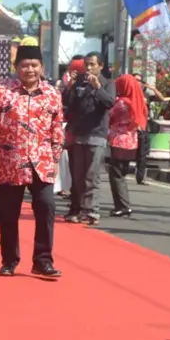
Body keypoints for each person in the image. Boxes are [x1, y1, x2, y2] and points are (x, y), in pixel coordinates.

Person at [0, 44, 64, 277]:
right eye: (25, 65)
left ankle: (43, 260)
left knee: (47, 206)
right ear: (16, 67)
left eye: (34, 65)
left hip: (42, 161)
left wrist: (56, 157)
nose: (30, 69)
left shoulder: (52, 93)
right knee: (8, 213)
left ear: (41, 67)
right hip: (9, 161)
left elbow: (57, 127)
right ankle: (9, 260)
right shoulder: (1, 91)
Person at [63, 52, 116, 225]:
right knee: (77, 175)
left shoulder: (108, 83)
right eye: (87, 64)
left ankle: (92, 211)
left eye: (93, 64)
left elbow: (109, 102)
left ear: (100, 66)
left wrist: (98, 87)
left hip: (97, 134)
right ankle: (77, 209)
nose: (89, 67)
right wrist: (69, 87)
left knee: (92, 176)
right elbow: (67, 104)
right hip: (79, 134)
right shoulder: (79, 82)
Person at [106, 74, 146, 218]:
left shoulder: (121, 103)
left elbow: (109, 115)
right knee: (120, 173)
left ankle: (122, 206)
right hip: (131, 142)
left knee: (115, 174)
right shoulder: (136, 102)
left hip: (119, 141)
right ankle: (122, 205)